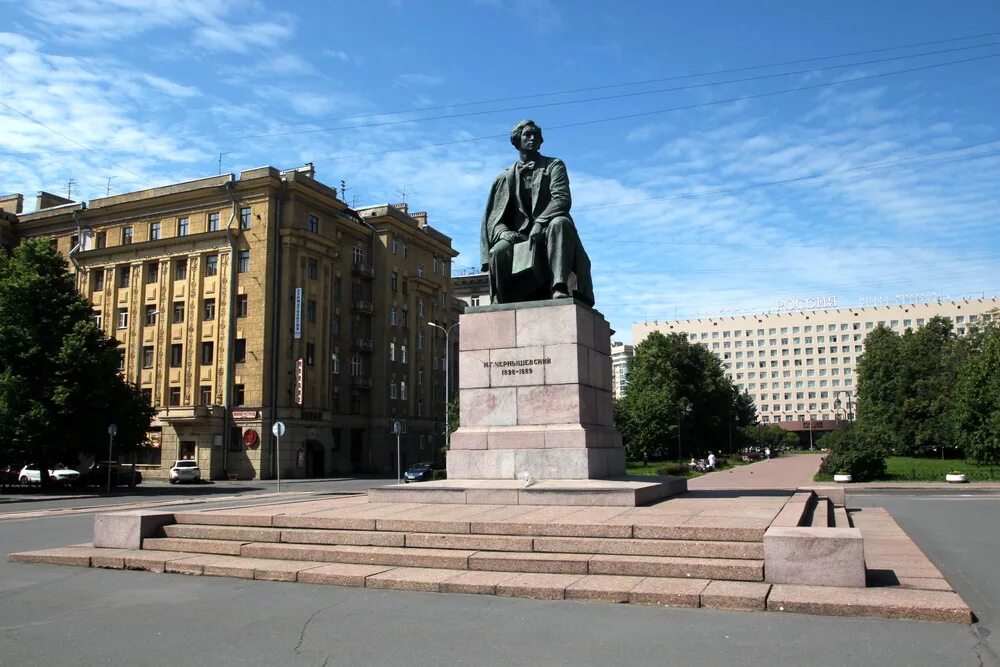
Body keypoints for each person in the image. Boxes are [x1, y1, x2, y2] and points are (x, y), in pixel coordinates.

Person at [480, 120, 595, 306]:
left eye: (536, 135)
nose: (532, 138)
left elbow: (562, 199)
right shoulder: (504, 177)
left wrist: (540, 222)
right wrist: (502, 232)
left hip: (549, 231)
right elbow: (494, 217)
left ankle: (559, 287)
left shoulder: (554, 165)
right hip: (519, 238)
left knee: (560, 222)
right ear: (518, 140)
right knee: (498, 251)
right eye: (527, 134)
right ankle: (501, 302)